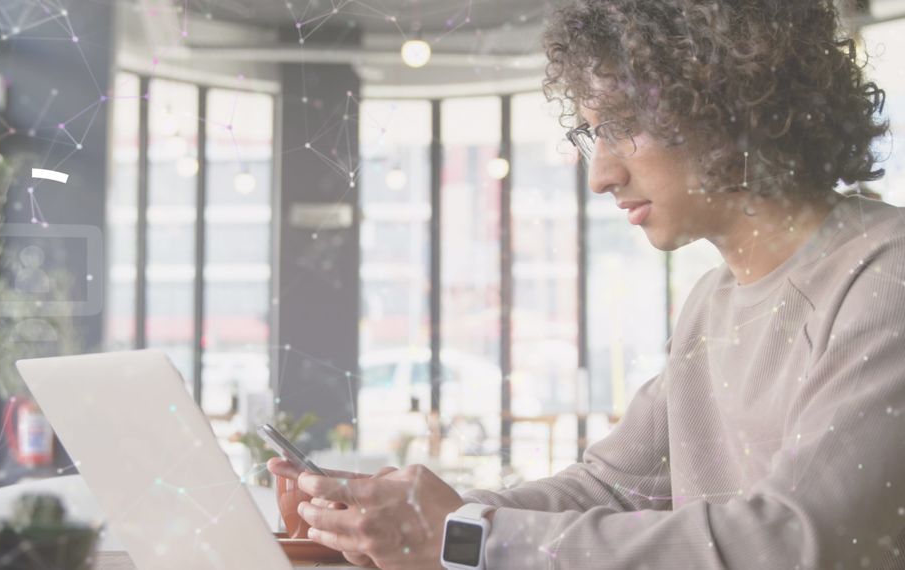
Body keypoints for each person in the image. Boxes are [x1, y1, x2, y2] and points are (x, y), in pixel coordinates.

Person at [269, 0, 905, 568]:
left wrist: (466, 536)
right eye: (592, 133)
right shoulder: (712, 304)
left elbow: (797, 544)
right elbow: (610, 487)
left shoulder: (886, 276)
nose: (602, 175)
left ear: (733, 102)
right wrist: (391, 517)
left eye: (623, 124)